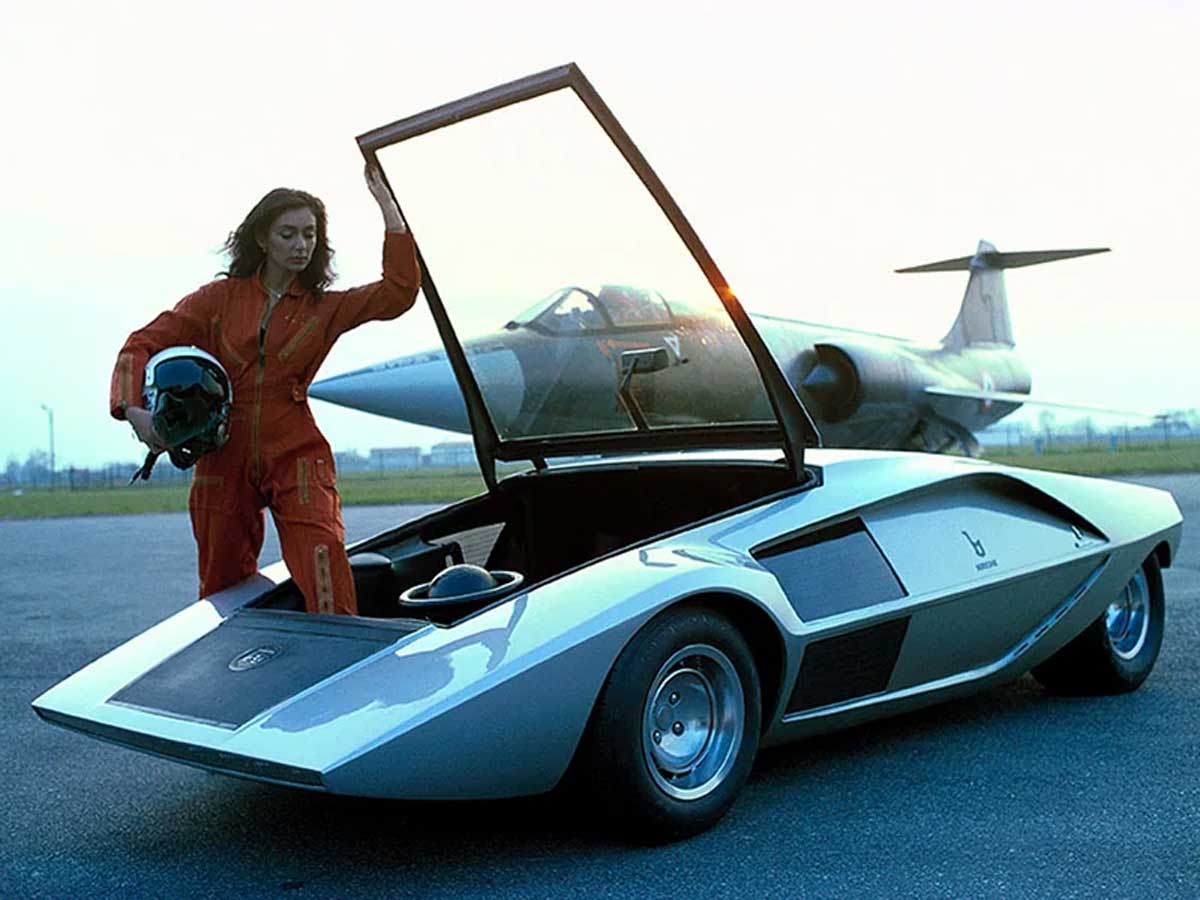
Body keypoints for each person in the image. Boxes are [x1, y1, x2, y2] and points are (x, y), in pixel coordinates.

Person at [110, 166, 420, 615]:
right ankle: (232, 676)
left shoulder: (325, 308)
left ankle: (338, 661)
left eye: (309, 235)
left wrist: (390, 212)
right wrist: (134, 413)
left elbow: (399, 292)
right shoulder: (217, 300)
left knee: (323, 562)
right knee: (221, 585)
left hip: (295, 449)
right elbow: (142, 343)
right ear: (262, 239)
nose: (300, 246)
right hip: (222, 451)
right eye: (288, 234)